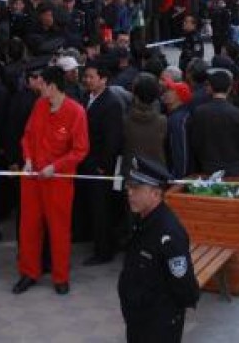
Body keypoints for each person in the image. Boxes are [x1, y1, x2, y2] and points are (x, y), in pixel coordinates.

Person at [13, 66, 90, 296]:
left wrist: (55, 167)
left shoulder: (76, 112)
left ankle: (60, 276)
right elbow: (27, 136)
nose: (38, 86)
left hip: (58, 181)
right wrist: (27, 158)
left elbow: (80, 150)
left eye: (41, 83)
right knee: (28, 228)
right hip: (33, 179)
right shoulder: (39, 106)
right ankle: (28, 273)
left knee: (59, 230)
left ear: (53, 86)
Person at [118, 155, 199, 342]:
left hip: (158, 326)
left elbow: (184, 286)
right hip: (139, 319)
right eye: (129, 187)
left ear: (155, 194)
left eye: (136, 188)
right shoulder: (143, 221)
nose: (130, 192)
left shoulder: (169, 234)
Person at [77, 59, 125, 266]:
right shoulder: (86, 98)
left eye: (91, 77)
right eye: (85, 76)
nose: (87, 80)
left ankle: (104, 250)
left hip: (100, 166)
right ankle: (91, 237)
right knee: (92, 205)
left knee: (102, 208)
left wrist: (102, 166)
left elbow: (112, 139)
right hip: (87, 162)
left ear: (103, 79)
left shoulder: (111, 103)